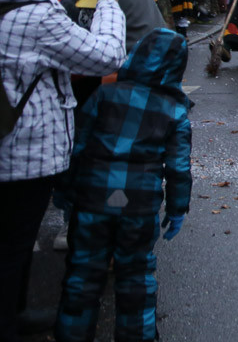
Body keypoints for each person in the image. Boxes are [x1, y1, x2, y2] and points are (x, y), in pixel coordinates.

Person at [0, 0, 126, 340]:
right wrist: (107, 0)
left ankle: (16, 314)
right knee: (12, 246)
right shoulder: (37, 15)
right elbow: (105, 55)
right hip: (21, 151)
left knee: (12, 245)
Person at [53, 29, 191, 342]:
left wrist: (65, 190)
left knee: (82, 274)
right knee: (137, 277)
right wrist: (177, 207)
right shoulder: (175, 110)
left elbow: (78, 145)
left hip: (93, 197)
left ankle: (72, 334)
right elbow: (179, 167)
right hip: (138, 206)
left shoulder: (105, 95)